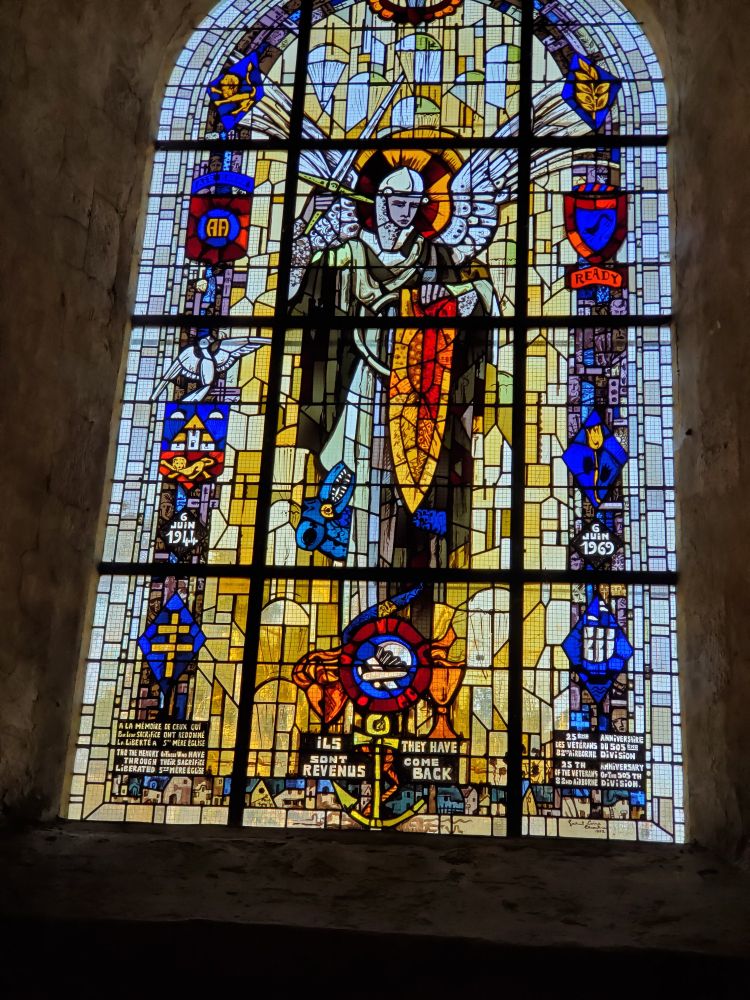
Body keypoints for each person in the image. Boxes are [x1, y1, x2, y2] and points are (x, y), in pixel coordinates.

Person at [289, 165, 499, 630]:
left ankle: (409, 619)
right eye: (399, 202)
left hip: (418, 399)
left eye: (415, 205)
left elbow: (481, 295)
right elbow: (297, 293)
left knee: (409, 503)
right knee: (363, 489)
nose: (407, 213)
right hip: (365, 389)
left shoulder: (434, 256)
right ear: (380, 202)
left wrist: (447, 293)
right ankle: (358, 616)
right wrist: (304, 223)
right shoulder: (347, 256)